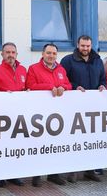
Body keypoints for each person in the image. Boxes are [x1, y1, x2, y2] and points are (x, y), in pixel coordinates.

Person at [60, 35, 105, 183]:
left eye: (88, 46)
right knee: (74, 139)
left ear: (91, 45)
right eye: (83, 46)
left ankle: (89, 170)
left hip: (93, 108)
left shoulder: (98, 60)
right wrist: (74, 87)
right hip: (74, 108)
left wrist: (102, 85)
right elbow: (62, 80)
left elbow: (102, 79)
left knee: (91, 139)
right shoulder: (68, 60)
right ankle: (72, 170)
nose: (85, 49)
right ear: (77, 44)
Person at [26, 43, 72, 187]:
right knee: (40, 145)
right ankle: (37, 175)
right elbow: (30, 85)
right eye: (48, 53)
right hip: (39, 114)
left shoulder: (61, 69)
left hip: (57, 115)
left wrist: (62, 87)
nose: (51, 56)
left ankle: (53, 174)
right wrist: (49, 87)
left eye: (54, 53)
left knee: (55, 145)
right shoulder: (33, 68)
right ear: (43, 54)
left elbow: (68, 85)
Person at [0, 42, 27, 187]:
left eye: (13, 52)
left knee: (16, 147)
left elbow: (28, 87)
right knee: (1, 147)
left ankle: (13, 175)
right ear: (2, 54)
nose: (10, 55)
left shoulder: (23, 70)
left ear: (16, 54)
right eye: (7, 52)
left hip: (19, 117)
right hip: (2, 116)